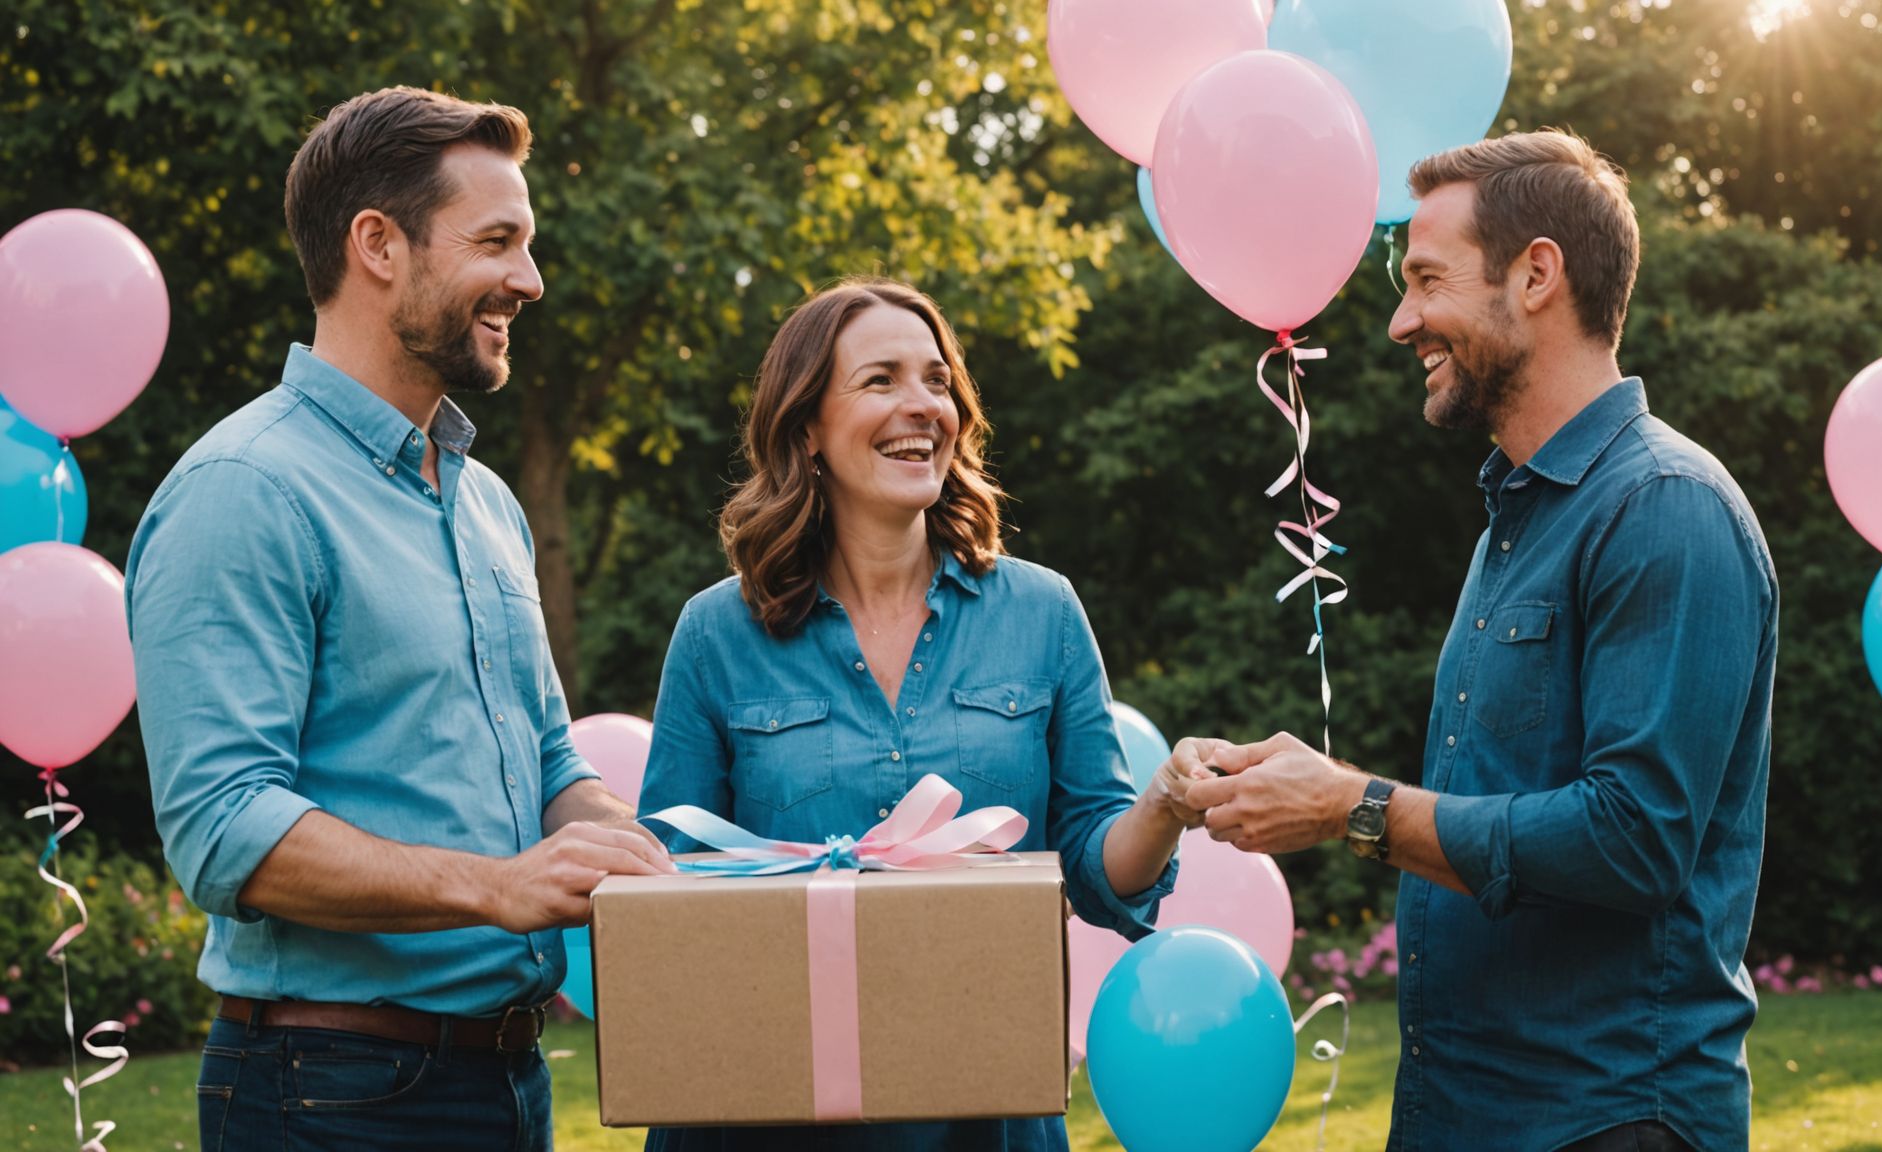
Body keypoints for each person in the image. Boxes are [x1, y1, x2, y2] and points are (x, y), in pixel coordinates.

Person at [1180, 132, 1778, 1152]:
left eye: (1427, 280)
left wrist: (1354, 807)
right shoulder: (1516, 518)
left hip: (1604, 1120)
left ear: (1536, 275)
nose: (1400, 320)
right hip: (1461, 1112)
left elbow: (1633, 840)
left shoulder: (1665, 508)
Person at [127, 87, 672, 1152]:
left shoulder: (486, 502)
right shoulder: (245, 490)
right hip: (329, 1092)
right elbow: (225, 829)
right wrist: (499, 889)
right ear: (377, 244)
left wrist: (642, 851)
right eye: (496, 242)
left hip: (506, 1079)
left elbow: (549, 764)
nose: (531, 279)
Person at [636, 276, 1197, 1152]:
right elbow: (670, 888)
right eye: (881, 379)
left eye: (938, 381)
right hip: (769, 1117)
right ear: (807, 428)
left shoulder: (1042, 613)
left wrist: (1162, 804)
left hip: (986, 1114)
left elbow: (1094, 875)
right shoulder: (717, 632)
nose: (923, 405)